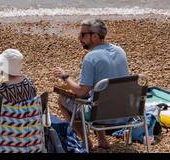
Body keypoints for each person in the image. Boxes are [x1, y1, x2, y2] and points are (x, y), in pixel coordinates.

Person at [53, 19, 130, 149]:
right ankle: (102, 140)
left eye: (83, 35)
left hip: (102, 116)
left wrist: (65, 76)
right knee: (98, 95)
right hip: (126, 112)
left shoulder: (91, 57)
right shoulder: (120, 51)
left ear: (94, 36)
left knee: (62, 100)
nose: (79, 38)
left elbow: (81, 91)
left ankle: (87, 141)